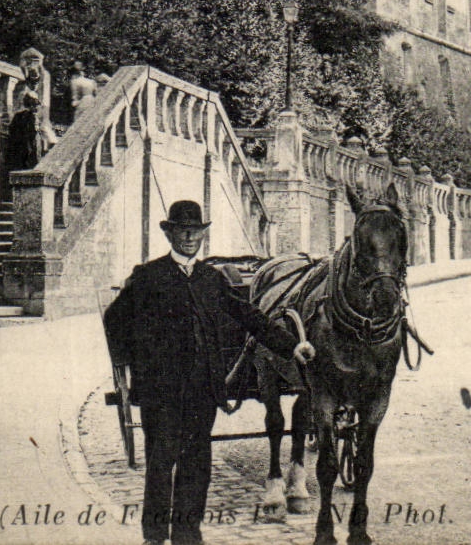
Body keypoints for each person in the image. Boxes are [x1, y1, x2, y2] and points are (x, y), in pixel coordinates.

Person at [103, 201, 315, 545]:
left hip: (203, 392)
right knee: (161, 466)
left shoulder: (210, 279)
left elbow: (250, 317)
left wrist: (291, 346)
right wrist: (140, 368)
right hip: (163, 394)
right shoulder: (148, 276)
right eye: (182, 231)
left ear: (203, 234)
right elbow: (115, 321)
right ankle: (154, 538)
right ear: (170, 233)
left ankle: (188, 536)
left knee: (197, 467)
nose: (189, 237)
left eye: (195, 231)